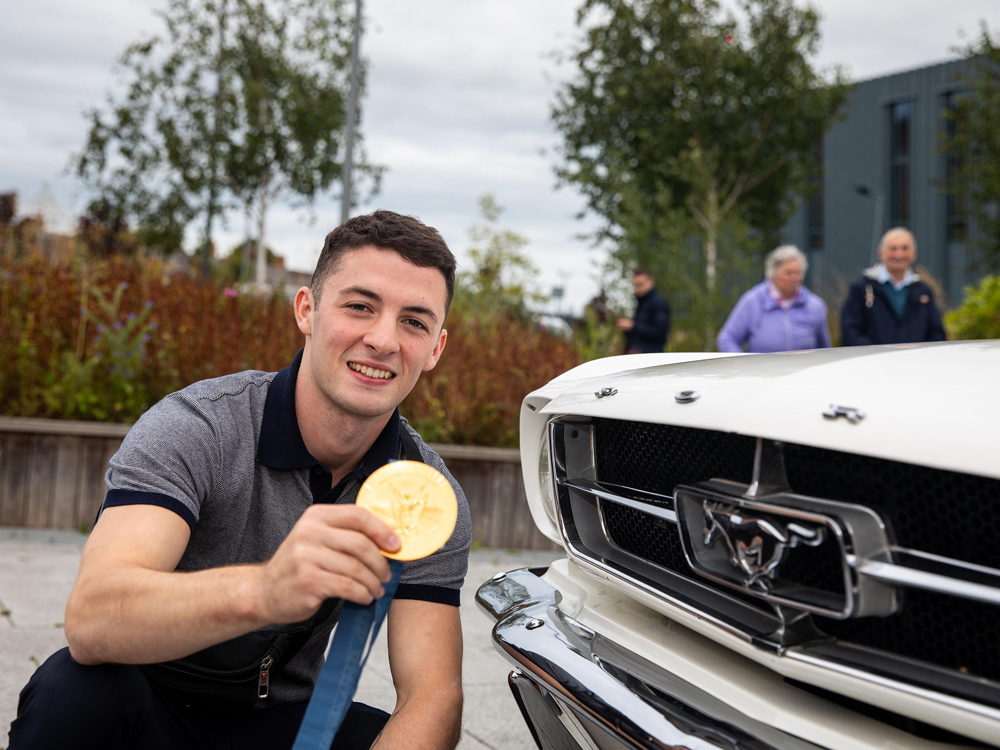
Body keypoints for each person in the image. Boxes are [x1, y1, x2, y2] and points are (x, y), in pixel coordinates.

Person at [9, 211, 472, 750]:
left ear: (436, 348)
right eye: (359, 306)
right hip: (147, 702)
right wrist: (266, 591)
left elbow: (432, 693)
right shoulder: (198, 426)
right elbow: (93, 618)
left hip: (281, 720)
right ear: (306, 310)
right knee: (73, 688)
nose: (384, 339)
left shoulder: (425, 493)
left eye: (414, 321)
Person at [840, 227, 947, 346]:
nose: (899, 254)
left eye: (905, 248)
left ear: (914, 254)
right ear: (881, 253)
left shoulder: (923, 291)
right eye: (893, 248)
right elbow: (850, 333)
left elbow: (937, 334)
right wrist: (877, 353)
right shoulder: (861, 289)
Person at [717, 245, 831, 353]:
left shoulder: (814, 305)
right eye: (789, 273)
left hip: (805, 367)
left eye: (798, 273)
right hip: (761, 367)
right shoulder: (753, 301)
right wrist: (743, 363)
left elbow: (825, 350)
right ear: (773, 274)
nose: (794, 278)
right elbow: (727, 339)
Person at [617, 268, 671, 353]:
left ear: (651, 282)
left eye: (640, 284)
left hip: (651, 356)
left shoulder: (659, 303)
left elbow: (660, 333)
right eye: (635, 285)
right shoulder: (641, 303)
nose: (637, 288)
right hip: (637, 354)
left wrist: (633, 326)